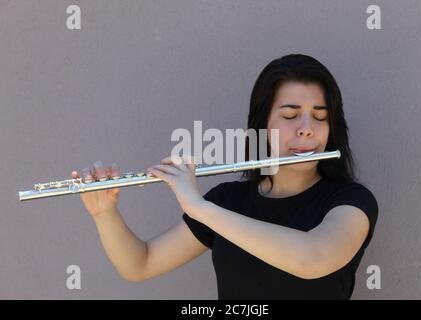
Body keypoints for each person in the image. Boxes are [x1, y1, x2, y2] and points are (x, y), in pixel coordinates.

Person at [72, 54, 378, 299]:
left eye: (320, 116)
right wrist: (105, 213)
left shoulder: (350, 203)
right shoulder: (228, 200)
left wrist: (200, 209)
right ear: (262, 126)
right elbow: (140, 264)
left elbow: (312, 259)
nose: (307, 127)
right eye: (289, 115)